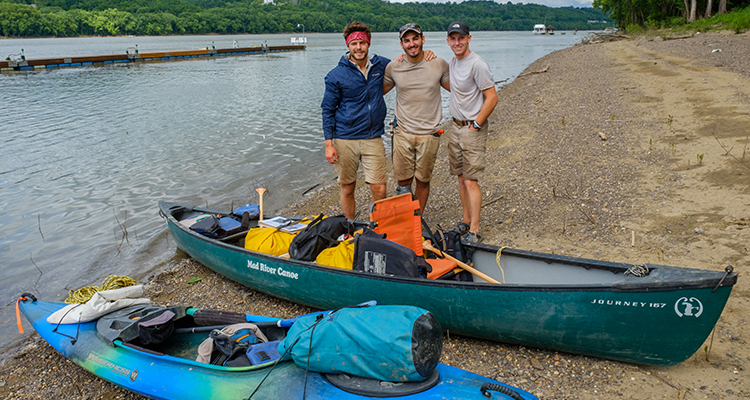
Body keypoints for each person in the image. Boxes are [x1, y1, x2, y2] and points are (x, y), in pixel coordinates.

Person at [321, 21, 389, 219]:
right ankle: (350, 226)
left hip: (373, 137)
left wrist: (427, 55)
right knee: (348, 188)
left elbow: (405, 64)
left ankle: (375, 227)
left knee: (380, 189)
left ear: (368, 43)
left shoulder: (380, 65)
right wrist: (329, 144)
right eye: (354, 43)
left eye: (362, 43)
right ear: (347, 45)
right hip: (345, 139)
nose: (358, 47)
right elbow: (327, 109)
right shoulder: (335, 75)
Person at [383, 23, 451, 216]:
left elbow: (457, 89)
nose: (412, 44)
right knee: (403, 182)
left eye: (415, 39)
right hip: (403, 132)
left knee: (423, 180)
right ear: (401, 44)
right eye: (407, 40)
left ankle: (417, 221)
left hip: (429, 134)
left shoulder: (438, 63)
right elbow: (376, 92)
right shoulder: (394, 67)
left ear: (423, 39)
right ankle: (404, 219)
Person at [445, 21, 498, 243]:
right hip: (455, 127)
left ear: (469, 38)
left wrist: (476, 123)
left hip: (471, 128)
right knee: (460, 177)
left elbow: (492, 96)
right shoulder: (453, 62)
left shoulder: (477, 64)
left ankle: (474, 229)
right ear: (448, 41)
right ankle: (465, 220)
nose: (457, 42)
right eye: (453, 38)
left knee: (470, 180)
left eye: (461, 38)